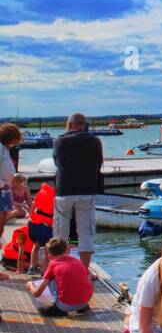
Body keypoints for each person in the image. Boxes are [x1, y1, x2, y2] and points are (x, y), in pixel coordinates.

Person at [53, 113, 103, 272]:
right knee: (86, 232)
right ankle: (83, 271)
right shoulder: (95, 141)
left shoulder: (59, 141)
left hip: (64, 190)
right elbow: (99, 162)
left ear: (69, 124)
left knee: (61, 232)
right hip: (87, 190)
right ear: (85, 124)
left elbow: (56, 162)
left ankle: (60, 268)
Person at [26, 237, 93, 314]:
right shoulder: (79, 262)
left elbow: (37, 293)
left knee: (51, 279)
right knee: (73, 276)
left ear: (49, 254)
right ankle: (83, 308)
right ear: (68, 250)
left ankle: (59, 309)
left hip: (64, 306)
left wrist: (30, 285)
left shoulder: (53, 265)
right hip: (84, 302)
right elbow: (90, 284)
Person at [26, 181, 54, 274]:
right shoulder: (54, 198)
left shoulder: (41, 193)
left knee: (36, 245)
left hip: (33, 223)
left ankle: (32, 267)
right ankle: (44, 271)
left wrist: (30, 216)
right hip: (45, 225)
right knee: (47, 249)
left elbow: (33, 206)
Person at [0, 123, 22, 237]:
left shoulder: (6, 149)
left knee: (3, 220)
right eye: (14, 140)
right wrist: (2, 184)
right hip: (2, 188)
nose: (15, 143)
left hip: (5, 189)